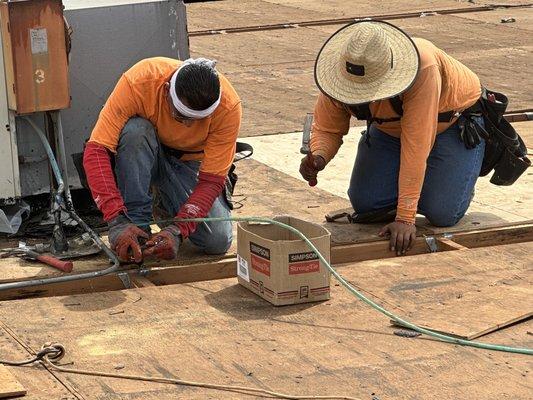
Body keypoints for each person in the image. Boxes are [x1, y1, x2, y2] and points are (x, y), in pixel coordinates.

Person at [300, 21, 485, 255]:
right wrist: (319, 157)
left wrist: (406, 218)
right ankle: (423, 182)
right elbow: (328, 128)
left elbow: (416, 145)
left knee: (442, 213)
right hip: (389, 129)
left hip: (450, 125)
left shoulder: (422, 67)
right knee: (367, 204)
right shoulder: (339, 70)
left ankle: (459, 171)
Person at [83, 57, 242, 262]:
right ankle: (136, 224)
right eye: (180, 116)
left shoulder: (228, 107)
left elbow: (211, 181)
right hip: (141, 154)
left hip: (188, 162)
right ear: (167, 89)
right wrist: (116, 220)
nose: (186, 125)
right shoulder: (140, 81)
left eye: (195, 120)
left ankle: (163, 203)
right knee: (136, 131)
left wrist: (178, 230)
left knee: (217, 241)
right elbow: (96, 152)